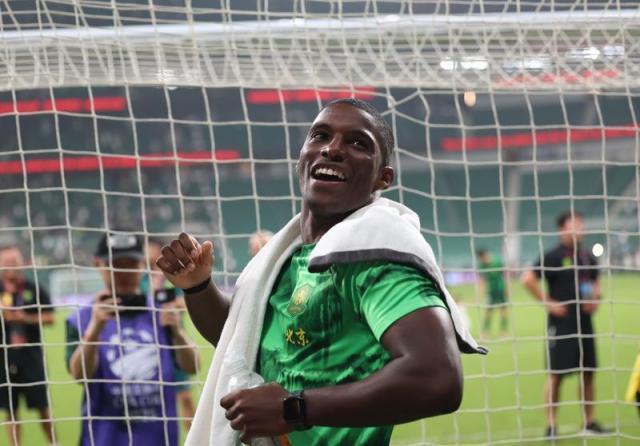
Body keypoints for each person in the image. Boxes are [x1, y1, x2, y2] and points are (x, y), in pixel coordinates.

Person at [157, 98, 484, 445]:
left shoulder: (376, 258)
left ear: (383, 178)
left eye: (358, 143)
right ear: (301, 158)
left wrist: (293, 409)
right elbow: (240, 339)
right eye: (320, 136)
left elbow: (437, 378)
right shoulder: (286, 256)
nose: (333, 149)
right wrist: (198, 287)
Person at [65, 232, 199, 446]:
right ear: (98, 265)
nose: (124, 273)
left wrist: (177, 332)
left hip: (158, 438)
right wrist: (94, 329)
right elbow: (80, 376)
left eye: (131, 264)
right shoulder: (81, 319)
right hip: (103, 439)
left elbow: (193, 367)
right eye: (116, 265)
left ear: (143, 265)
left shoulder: (162, 312)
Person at [522, 212, 610, 438]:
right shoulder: (552, 256)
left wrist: (596, 298)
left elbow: (596, 281)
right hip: (561, 324)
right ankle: (551, 426)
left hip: (585, 323)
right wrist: (548, 302)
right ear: (562, 229)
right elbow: (528, 279)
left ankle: (589, 422)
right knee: (556, 375)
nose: (580, 229)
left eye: (581, 225)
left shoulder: (587, 256)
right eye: (574, 225)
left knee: (588, 372)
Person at [0, 245, 56, 446]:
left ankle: (54, 443)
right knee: (10, 411)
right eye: (6, 263)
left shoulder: (34, 288)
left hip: (31, 356)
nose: (11, 267)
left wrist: (25, 318)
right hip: (4, 359)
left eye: (14, 262)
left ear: (22, 263)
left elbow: (50, 317)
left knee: (43, 407)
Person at [141, 237, 197, 432]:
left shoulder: (173, 275)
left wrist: (172, 305)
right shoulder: (140, 279)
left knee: (185, 398)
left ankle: (194, 438)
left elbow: (186, 301)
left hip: (174, 341)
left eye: (151, 249)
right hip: (149, 344)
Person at [476, 249, 508, 339]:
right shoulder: (482, 266)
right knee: (488, 312)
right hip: (491, 290)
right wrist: (479, 294)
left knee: (503, 311)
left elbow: (505, 274)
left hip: (500, 289)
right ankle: (485, 332)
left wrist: (507, 288)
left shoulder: (498, 261)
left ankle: (503, 332)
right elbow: (482, 280)